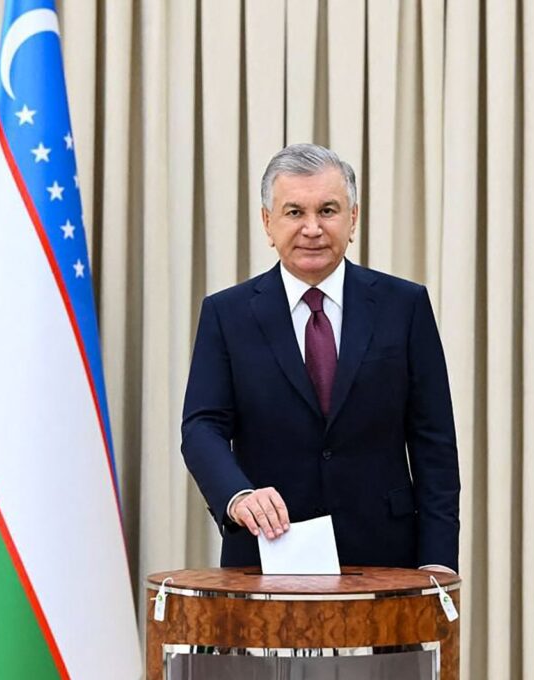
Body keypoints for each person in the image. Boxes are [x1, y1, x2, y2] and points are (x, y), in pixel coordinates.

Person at [181, 143, 460, 573]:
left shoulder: (404, 306)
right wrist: (238, 496)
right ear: (267, 223)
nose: (312, 228)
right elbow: (202, 427)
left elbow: (434, 441)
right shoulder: (227, 314)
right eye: (294, 212)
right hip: (267, 553)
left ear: (353, 219)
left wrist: (438, 561)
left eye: (328, 210)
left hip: (386, 559)